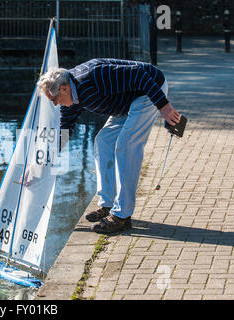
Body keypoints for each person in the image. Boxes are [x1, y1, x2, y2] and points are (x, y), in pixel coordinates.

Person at [34, 58, 181, 234]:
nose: (55, 104)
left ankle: (122, 216)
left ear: (64, 88)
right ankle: (108, 204)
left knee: (126, 145)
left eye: (55, 98)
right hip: (125, 103)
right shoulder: (70, 100)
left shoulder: (93, 77)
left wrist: (164, 107)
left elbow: (139, 75)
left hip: (147, 90)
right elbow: (62, 135)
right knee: (103, 141)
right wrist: (39, 165)